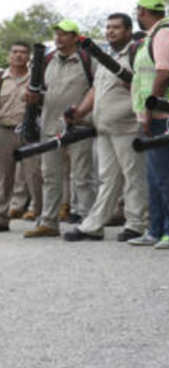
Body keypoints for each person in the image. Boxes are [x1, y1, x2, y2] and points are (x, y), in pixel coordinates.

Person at [61, 13, 149, 242]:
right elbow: (96, 90)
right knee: (107, 178)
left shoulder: (136, 53)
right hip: (104, 127)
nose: (110, 31)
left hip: (128, 126)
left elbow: (143, 87)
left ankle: (137, 224)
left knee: (134, 176)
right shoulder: (105, 56)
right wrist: (80, 112)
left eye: (116, 27)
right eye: (108, 27)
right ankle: (94, 225)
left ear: (129, 30)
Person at [23, 21, 97, 238]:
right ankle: (49, 222)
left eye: (64, 34)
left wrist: (86, 116)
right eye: (57, 34)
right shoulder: (46, 60)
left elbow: (98, 88)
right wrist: (31, 97)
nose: (59, 38)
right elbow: (34, 92)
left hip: (80, 126)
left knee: (82, 175)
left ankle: (89, 222)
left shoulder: (87, 59)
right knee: (50, 175)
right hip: (49, 125)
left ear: (76, 37)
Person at [128, 0, 169, 250]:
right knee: (154, 177)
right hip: (151, 116)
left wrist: (151, 109)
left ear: (142, 11)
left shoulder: (163, 34)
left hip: (161, 117)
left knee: (166, 176)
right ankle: (155, 229)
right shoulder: (155, 34)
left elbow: (163, 72)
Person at [0, 42, 42, 231]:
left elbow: (46, 101)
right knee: (4, 177)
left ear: (29, 57)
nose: (19, 56)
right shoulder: (2, 78)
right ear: (9, 55)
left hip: (29, 132)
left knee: (35, 175)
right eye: (15, 52)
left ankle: (42, 218)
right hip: (5, 131)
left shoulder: (35, 78)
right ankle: (2, 218)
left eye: (23, 53)